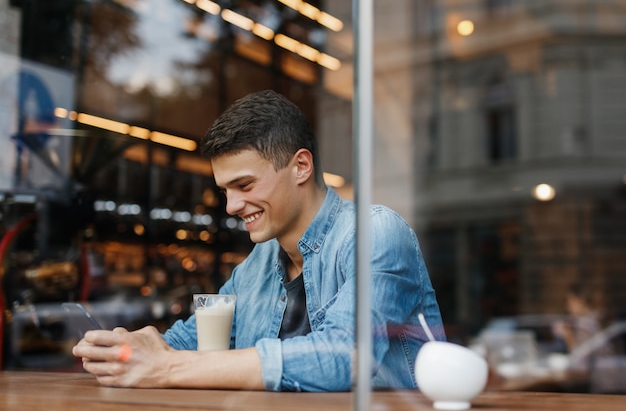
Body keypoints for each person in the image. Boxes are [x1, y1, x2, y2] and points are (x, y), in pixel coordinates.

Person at [72, 90, 446, 392]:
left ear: (301, 166)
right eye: (225, 191)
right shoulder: (256, 265)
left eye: (245, 185)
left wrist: (167, 366)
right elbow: (189, 343)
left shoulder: (375, 233)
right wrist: (129, 349)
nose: (232, 206)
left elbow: (346, 355)